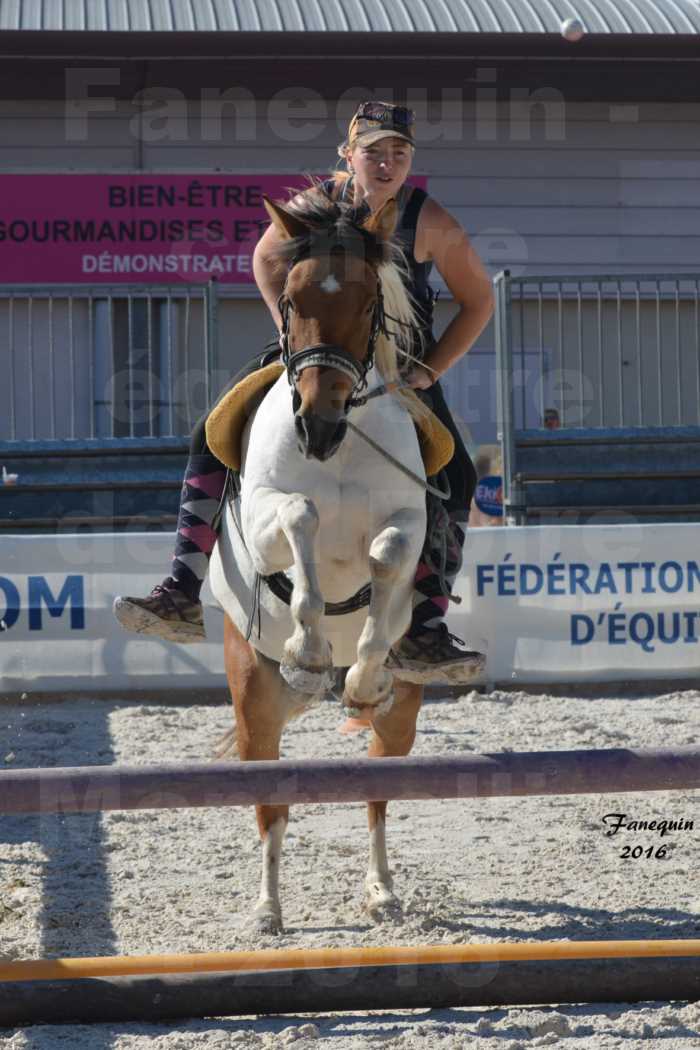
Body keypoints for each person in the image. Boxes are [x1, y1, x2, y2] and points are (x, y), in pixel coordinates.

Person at [114, 101, 495, 681]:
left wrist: (431, 369)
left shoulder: (429, 219)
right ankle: (182, 586)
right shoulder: (314, 205)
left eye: (400, 154)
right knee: (208, 435)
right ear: (348, 156)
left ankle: (426, 626)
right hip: (314, 351)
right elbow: (264, 257)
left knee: (459, 475)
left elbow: (480, 301)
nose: (387, 164)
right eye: (374, 152)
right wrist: (290, 331)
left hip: (395, 367)